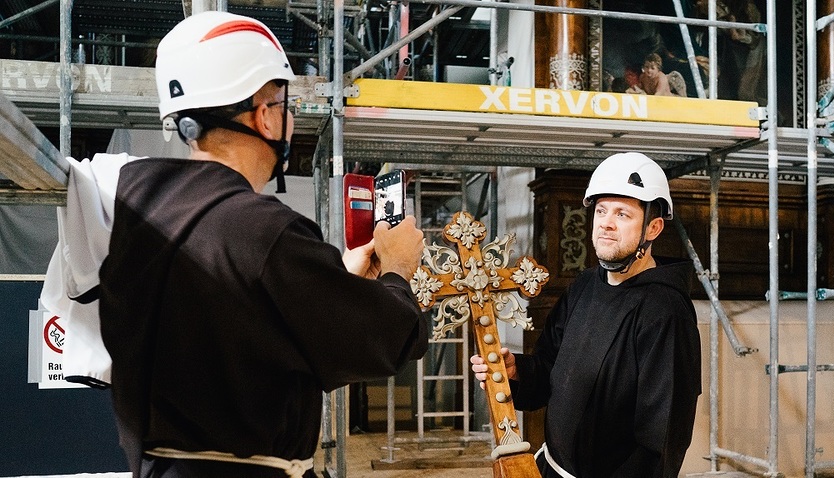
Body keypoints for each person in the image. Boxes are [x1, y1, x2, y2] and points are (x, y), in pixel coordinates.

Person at [98, 11, 428, 478]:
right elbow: (390, 339)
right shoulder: (266, 231)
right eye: (284, 104)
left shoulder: (137, 214)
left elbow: (242, 321)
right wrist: (397, 269)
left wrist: (338, 281)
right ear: (266, 117)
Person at [471, 152, 702, 478]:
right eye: (601, 211)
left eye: (623, 214)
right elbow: (550, 369)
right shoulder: (585, 285)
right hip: (551, 468)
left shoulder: (666, 313)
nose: (606, 223)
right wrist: (517, 371)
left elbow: (660, 443)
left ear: (653, 227)